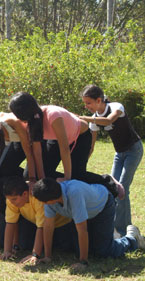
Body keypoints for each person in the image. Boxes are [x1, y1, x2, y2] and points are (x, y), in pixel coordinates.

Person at [32, 178, 145, 270]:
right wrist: (47, 256)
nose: (42, 204)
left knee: (103, 251)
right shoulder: (50, 199)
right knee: (80, 250)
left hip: (103, 206)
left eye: (43, 202)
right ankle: (109, 237)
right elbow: (48, 226)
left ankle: (133, 239)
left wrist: (83, 262)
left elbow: (82, 230)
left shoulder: (74, 193)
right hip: (87, 213)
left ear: (50, 200)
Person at [79, 85, 143, 236]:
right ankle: (114, 226)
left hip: (134, 150)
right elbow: (91, 147)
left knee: (123, 189)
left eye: (88, 103)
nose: (86, 106)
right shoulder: (94, 119)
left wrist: (83, 118)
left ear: (99, 100)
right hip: (119, 154)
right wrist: (82, 164)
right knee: (113, 187)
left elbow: (108, 120)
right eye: (85, 103)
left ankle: (124, 229)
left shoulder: (116, 107)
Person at [9, 92, 108, 184]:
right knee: (43, 174)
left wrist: (67, 178)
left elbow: (64, 149)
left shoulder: (53, 115)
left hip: (80, 136)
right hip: (56, 138)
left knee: (77, 176)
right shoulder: (30, 122)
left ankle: (107, 181)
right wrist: (41, 179)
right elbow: (37, 152)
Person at [0, 176, 74, 265]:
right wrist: (7, 251)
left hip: (62, 224)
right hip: (39, 225)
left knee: (65, 248)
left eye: (14, 199)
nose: (11, 202)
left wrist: (35, 255)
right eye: (9, 199)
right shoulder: (11, 200)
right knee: (25, 243)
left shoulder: (37, 199)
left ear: (25, 194)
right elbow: (10, 223)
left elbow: (41, 227)